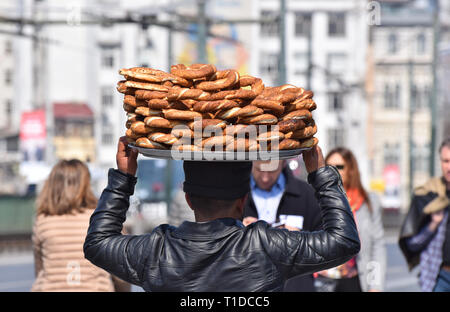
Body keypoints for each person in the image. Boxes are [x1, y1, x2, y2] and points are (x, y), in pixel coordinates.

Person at [83, 137, 360, 291]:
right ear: (243, 201)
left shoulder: (156, 250)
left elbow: (97, 243)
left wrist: (124, 177)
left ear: (188, 199)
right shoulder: (267, 245)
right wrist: (320, 175)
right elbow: (344, 240)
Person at [31, 159, 130, 292]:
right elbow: (120, 270)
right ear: (86, 184)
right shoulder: (102, 219)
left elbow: (40, 270)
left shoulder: (43, 221)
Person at [243, 159, 322, 292]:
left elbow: (325, 241)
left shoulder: (306, 194)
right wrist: (239, 231)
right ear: (250, 163)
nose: (265, 177)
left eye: (272, 170)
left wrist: (298, 239)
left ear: (283, 163)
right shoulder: (235, 195)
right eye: (259, 169)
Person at [315, 147, 386, 292]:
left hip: (354, 280)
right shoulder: (315, 199)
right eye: (328, 167)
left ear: (351, 170)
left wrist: (375, 286)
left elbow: (377, 246)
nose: (333, 171)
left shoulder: (368, 202)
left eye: (340, 167)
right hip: (320, 281)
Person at [399, 137, 450, 292]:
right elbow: (412, 244)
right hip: (440, 277)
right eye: (446, 161)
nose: (449, 167)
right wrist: (433, 225)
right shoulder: (429, 195)